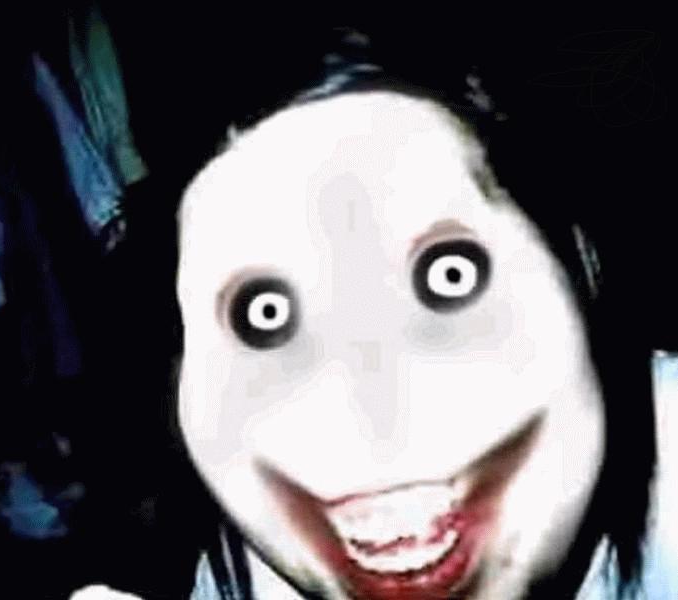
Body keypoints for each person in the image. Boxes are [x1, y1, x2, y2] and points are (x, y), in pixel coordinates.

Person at [171, 39, 661, 600]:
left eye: (450, 275)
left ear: (579, 266)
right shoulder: (241, 578)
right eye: (264, 315)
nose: (371, 422)